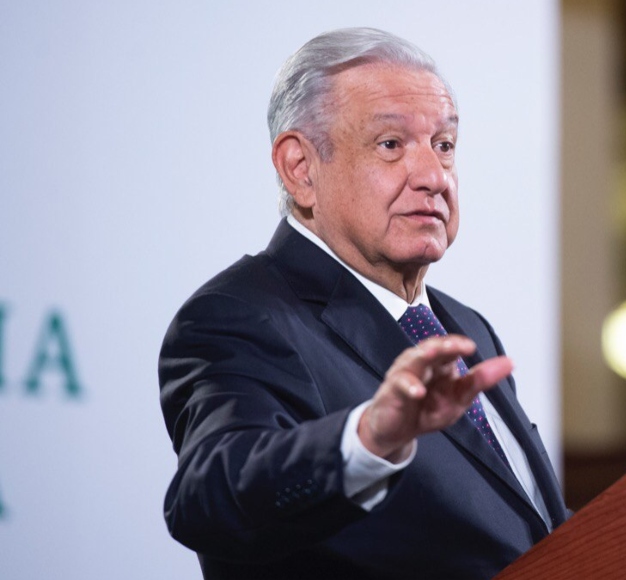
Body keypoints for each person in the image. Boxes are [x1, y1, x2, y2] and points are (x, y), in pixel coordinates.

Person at [158, 27, 568, 579]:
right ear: (300, 169)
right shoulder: (241, 315)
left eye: (443, 145)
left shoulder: (465, 326)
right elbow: (211, 498)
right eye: (391, 145)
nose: (432, 177)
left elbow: (519, 529)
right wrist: (372, 436)